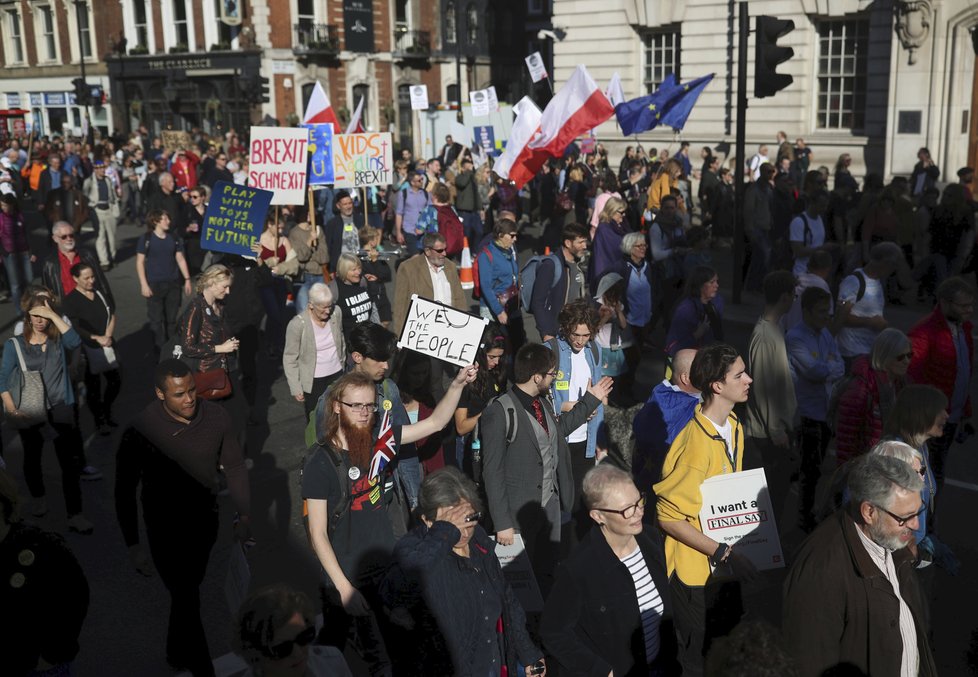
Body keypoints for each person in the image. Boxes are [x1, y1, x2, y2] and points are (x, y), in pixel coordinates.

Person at [301, 367, 477, 676]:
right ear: (336, 406)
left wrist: (458, 384)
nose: (364, 412)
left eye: (369, 405)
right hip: (344, 574)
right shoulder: (321, 461)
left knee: (393, 652)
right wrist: (344, 588)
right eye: (356, 405)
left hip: (383, 568)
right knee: (333, 647)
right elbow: (317, 534)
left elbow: (435, 423)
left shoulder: (380, 440)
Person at [116, 359, 252, 676]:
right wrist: (133, 545)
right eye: (179, 394)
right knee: (187, 599)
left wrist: (244, 514)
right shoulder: (139, 431)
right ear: (160, 394)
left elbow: (233, 466)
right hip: (164, 531)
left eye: (192, 390)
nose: (189, 399)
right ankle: (202, 669)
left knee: (186, 595)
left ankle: (175, 651)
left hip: (205, 523)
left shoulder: (216, 416)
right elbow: (123, 491)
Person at [380, 467, 546, 677]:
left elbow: (507, 600)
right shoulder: (414, 550)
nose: (465, 531)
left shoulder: (480, 543)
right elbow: (396, 590)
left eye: (469, 519)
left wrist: (527, 651)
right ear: (428, 521)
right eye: (453, 523)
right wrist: (444, 533)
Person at [782, 454, 936, 677]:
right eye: (905, 517)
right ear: (869, 512)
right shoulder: (821, 570)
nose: (915, 525)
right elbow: (809, 663)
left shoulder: (891, 539)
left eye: (918, 512)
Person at [654, 344, 756, 677]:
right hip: (693, 573)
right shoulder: (695, 445)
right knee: (695, 660)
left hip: (722, 569)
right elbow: (668, 517)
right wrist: (723, 551)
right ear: (716, 386)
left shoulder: (735, 426)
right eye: (739, 375)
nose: (749, 380)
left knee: (724, 652)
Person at [481, 343, 613, 594]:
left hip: (549, 508)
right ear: (537, 377)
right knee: (518, 584)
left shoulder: (541, 403)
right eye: (552, 374)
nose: (555, 378)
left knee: (548, 573)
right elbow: (492, 471)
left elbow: (557, 431)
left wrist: (591, 399)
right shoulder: (499, 412)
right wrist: (502, 523)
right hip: (518, 514)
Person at [542, 465, 678, 676]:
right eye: (626, 509)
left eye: (639, 501)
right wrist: (600, 670)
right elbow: (554, 632)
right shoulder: (579, 568)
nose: (638, 513)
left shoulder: (651, 539)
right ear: (598, 516)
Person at [0, 294, 93, 533]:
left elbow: (74, 342)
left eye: (44, 315)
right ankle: (39, 497)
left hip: (61, 408)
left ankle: (76, 513)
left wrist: (53, 314)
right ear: (27, 317)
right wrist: (12, 409)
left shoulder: (58, 341)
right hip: (30, 411)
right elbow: (1, 380)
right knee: (32, 458)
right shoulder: (15, 345)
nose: (40, 320)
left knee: (69, 464)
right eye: (36, 315)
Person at [0, 468, 90, 677]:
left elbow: (75, 600)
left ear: (5, 501)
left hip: (35, 667)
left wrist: (53, 652)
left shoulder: (43, 546)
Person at [546, 300, 607, 536]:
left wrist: (600, 440)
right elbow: (539, 397)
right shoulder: (550, 349)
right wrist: (566, 406)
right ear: (565, 328)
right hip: (559, 436)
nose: (580, 341)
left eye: (586, 335)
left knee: (582, 502)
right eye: (575, 334)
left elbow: (599, 395)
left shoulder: (595, 351)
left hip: (586, 439)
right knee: (559, 501)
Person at [742, 271, 798, 527]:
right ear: (785, 297)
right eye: (793, 295)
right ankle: (767, 552)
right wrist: (776, 429)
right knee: (772, 496)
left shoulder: (772, 329)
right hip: (769, 433)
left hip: (775, 429)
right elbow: (763, 387)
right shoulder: (765, 335)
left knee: (777, 493)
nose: (795, 299)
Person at [907, 276, 974, 488]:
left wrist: (965, 409)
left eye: (971, 305)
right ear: (944, 302)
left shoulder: (965, 329)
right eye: (963, 305)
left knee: (936, 474)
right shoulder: (924, 332)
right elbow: (911, 377)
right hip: (929, 420)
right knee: (923, 478)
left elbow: (962, 372)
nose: (970, 310)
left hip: (950, 418)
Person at [787, 287, 844, 531]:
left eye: (828, 312)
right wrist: (828, 367)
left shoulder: (825, 335)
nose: (826, 317)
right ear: (807, 311)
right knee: (809, 471)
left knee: (816, 467)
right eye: (821, 312)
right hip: (807, 413)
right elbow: (815, 371)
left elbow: (840, 366)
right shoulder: (796, 337)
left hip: (825, 411)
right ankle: (803, 518)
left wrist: (827, 367)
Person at [882, 387, 956, 572]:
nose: (947, 415)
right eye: (940, 410)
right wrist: (909, 549)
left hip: (913, 548)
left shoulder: (921, 448)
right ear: (921, 414)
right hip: (898, 555)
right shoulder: (898, 455)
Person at [233, 584, 353, 677]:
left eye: (304, 637)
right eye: (282, 649)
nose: (298, 653)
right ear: (256, 656)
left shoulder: (332, 661)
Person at [834, 328, 913, 465]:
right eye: (900, 357)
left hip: (886, 462)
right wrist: (847, 471)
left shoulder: (901, 384)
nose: (906, 361)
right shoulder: (860, 388)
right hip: (864, 465)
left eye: (909, 355)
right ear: (885, 356)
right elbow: (846, 438)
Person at [632, 348, 700, 500]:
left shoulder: (661, 392)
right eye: (703, 368)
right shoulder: (681, 405)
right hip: (669, 488)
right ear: (686, 378)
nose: (710, 372)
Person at [61, 262, 121, 435]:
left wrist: (108, 335)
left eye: (92, 276)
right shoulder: (70, 300)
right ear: (75, 279)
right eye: (86, 278)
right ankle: (99, 420)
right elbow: (76, 327)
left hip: (107, 344)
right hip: (87, 348)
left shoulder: (99, 293)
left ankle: (107, 409)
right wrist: (96, 338)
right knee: (93, 387)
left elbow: (112, 313)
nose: (91, 281)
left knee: (116, 381)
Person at [836, 242, 905, 368]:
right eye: (893, 266)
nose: (893, 270)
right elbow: (841, 317)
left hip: (869, 351)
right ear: (885, 262)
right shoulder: (853, 282)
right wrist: (870, 322)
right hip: (852, 352)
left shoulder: (877, 282)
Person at [284, 282, 345, 421]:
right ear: (311, 305)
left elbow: (341, 340)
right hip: (313, 381)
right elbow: (289, 358)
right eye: (323, 308)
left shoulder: (336, 313)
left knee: (339, 417)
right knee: (317, 419)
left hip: (337, 374)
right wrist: (296, 386)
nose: (328, 311)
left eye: (330, 306)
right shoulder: (297, 325)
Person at [453, 324, 506, 478]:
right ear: (480, 353)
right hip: (470, 444)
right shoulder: (466, 378)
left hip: (491, 439)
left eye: (500, 357)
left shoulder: (498, 372)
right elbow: (461, 427)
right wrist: (488, 412)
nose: (496, 362)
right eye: (492, 357)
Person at [136, 209, 192, 351]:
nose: (168, 221)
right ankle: (159, 349)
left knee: (171, 320)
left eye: (168, 219)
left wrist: (187, 279)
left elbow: (180, 258)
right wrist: (143, 284)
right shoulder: (146, 238)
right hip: (154, 284)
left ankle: (171, 348)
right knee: (156, 320)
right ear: (155, 221)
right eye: (165, 219)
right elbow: (140, 262)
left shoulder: (174, 238)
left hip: (173, 284)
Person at [393, 232, 466, 334]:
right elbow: (399, 307)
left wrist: (462, 329)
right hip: (421, 332)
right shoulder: (408, 268)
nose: (444, 253)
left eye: (445, 249)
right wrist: (399, 337)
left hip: (449, 330)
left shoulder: (451, 267)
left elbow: (460, 300)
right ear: (427, 251)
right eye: (440, 250)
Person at [528, 221, 589, 342]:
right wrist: (546, 333)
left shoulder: (578, 265)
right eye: (580, 242)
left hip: (575, 332)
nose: (585, 246)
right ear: (568, 243)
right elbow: (538, 303)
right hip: (556, 334)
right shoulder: (550, 266)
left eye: (585, 241)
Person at [477, 219, 526, 348]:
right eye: (512, 235)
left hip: (512, 305)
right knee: (495, 347)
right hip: (494, 309)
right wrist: (498, 311)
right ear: (500, 235)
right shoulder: (486, 255)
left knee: (518, 343)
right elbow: (486, 287)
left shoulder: (509, 252)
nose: (515, 239)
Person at [252, 214, 294, 358]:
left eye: (282, 226)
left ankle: (276, 344)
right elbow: (255, 263)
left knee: (279, 315)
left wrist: (281, 267)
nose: (281, 229)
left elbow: (292, 261)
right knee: (273, 313)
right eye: (278, 226)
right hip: (265, 283)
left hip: (280, 281)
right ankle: (268, 343)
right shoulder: (259, 240)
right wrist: (269, 261)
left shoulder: (284, 240)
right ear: (269, 224)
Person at [41, 221, 114, 304]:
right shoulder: (49, 263)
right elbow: (46, 291)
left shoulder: (87, 255)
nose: (69, 239)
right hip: (66, 309)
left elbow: (101, 282)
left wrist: (110, 307)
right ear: (55, 239)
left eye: (71, 235)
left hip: (90, 304)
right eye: (64, 237)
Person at [665, 266, 724, 357]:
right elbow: (673, 347)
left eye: (717, 281)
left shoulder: (716, 303)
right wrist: (696, 335)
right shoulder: (686, 309)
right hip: (687, 363)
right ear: (700, 285)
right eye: (712, 282)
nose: (717, 285)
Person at [329, 253, 379, 341]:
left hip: (369, 339)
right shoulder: (334, 288)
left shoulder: (363, 281)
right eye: (353, 269)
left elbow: (373, 308)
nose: (358, 272)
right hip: (349, 344)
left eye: (359, 268)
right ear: (343, 270)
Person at [83, 159, 121, 270]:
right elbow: (85, 196)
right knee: (100, 237)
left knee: (112, 237)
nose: (102, 170)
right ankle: (104, 261)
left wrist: (115, 207)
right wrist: (90, 207)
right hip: (97, 210)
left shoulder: (108, 180)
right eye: (100, 168)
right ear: (95, 169)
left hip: (109, 209)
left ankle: (112, 257)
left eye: (103, 167)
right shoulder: (89, 181)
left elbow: (113, 194)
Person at [788, 189, 832, 276]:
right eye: (822, 206)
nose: (824, 209)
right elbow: (798, 251)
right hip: (801, 272)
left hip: (817, 272)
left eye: (826, 206)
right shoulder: (799, 222)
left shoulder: (820, 219)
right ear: (812, 202)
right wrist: (822, 248)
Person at [0, 194, 35, 304]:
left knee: (29, 280)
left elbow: (27, 234)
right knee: (15, 285)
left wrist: (31, 252)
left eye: (5, 205)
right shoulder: (1, 218)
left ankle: (29, 303)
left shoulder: (20, 216)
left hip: (24, 252)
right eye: (2, 205)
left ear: (12, 205)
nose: (3, 208)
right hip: (10, 254)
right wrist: (3, 252)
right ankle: (20, 312)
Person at [590, 197, 630, 287]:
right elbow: (602, 257)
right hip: (608, 277)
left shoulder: (622, 226)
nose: (624, 215)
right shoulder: (604, 229)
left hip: (621, 274)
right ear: (612, 211)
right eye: (621, 212)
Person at [325, 191, 364, 271]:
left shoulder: (361, 220)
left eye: (350, 203)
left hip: (359, 264)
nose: (348, 206)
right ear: (338, 206)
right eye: (345, 204)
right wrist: (332, 269)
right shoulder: (332, 224)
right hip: (341, 266)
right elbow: (329, 247)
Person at [394, 171, 430, 252]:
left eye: (422, 179)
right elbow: (399, 214)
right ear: (412, 182)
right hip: (409, 229)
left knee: (423, 256)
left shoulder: (425, 193)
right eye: (419, 180)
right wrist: (398, 232)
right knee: (415, 255)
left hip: (424, 231)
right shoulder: (403, 193)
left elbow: (431, 212)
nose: (421, 182)